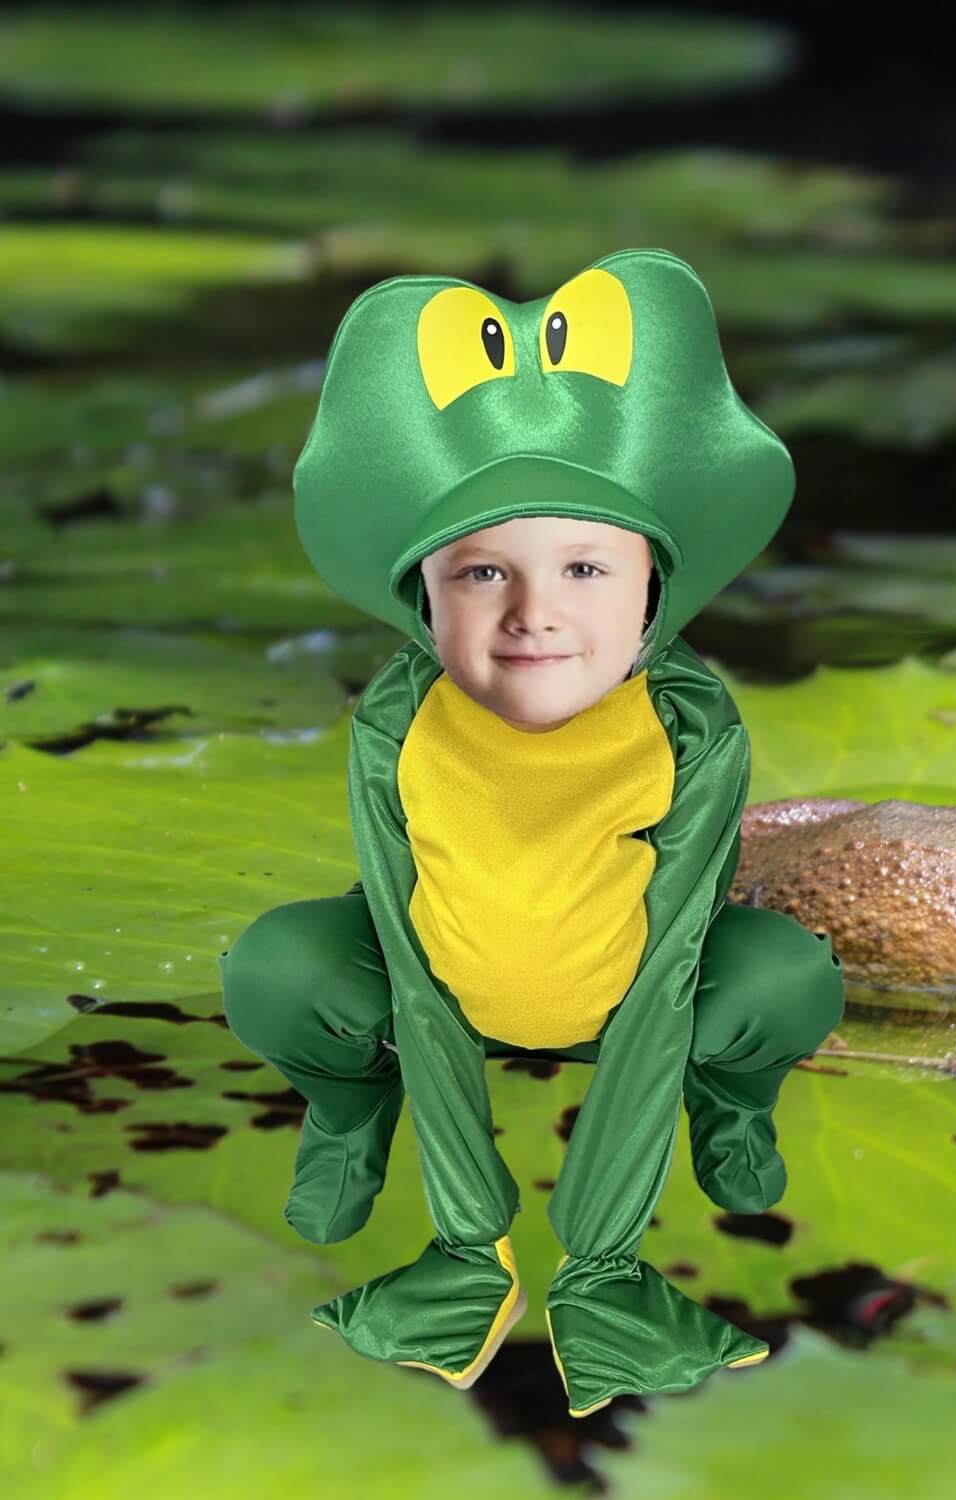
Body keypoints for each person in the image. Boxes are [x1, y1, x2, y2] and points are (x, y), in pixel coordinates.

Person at [218, 248, 846, 1417]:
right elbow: (406, 963)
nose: (535, 614)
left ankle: (731, 1108)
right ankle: (351, 1114)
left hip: (632, 991)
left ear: (656, 589)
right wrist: (472, 1241)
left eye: (587, 565)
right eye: (484, 571)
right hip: (444, 982)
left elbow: (667, 976)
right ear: (422, 597)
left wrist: (598, 1260)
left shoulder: (694, 726)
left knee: (791, 976)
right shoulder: (395, 723)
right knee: (277, 965)